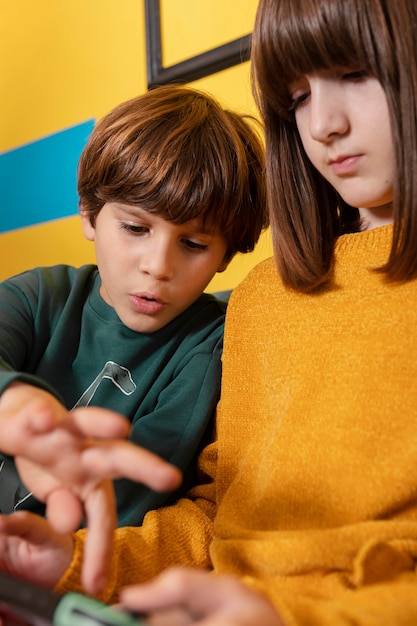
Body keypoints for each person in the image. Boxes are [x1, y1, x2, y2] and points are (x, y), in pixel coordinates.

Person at [3, 0, 417, 623]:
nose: (324, 124)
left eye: (357, 74)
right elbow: (219, 522)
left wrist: (288, 615)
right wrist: (67, 555)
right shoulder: (264, 298)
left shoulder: (209, 334)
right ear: (90, 215)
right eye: (298, 96)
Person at [0, 85, 267, 593]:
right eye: (135, 228)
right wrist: (12, 401)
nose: (158, 266)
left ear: (227, 256)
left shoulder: (210, 343)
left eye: (193, 244)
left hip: (58, 574)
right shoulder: (41, 294)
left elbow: (132, 499)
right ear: (88, 214)